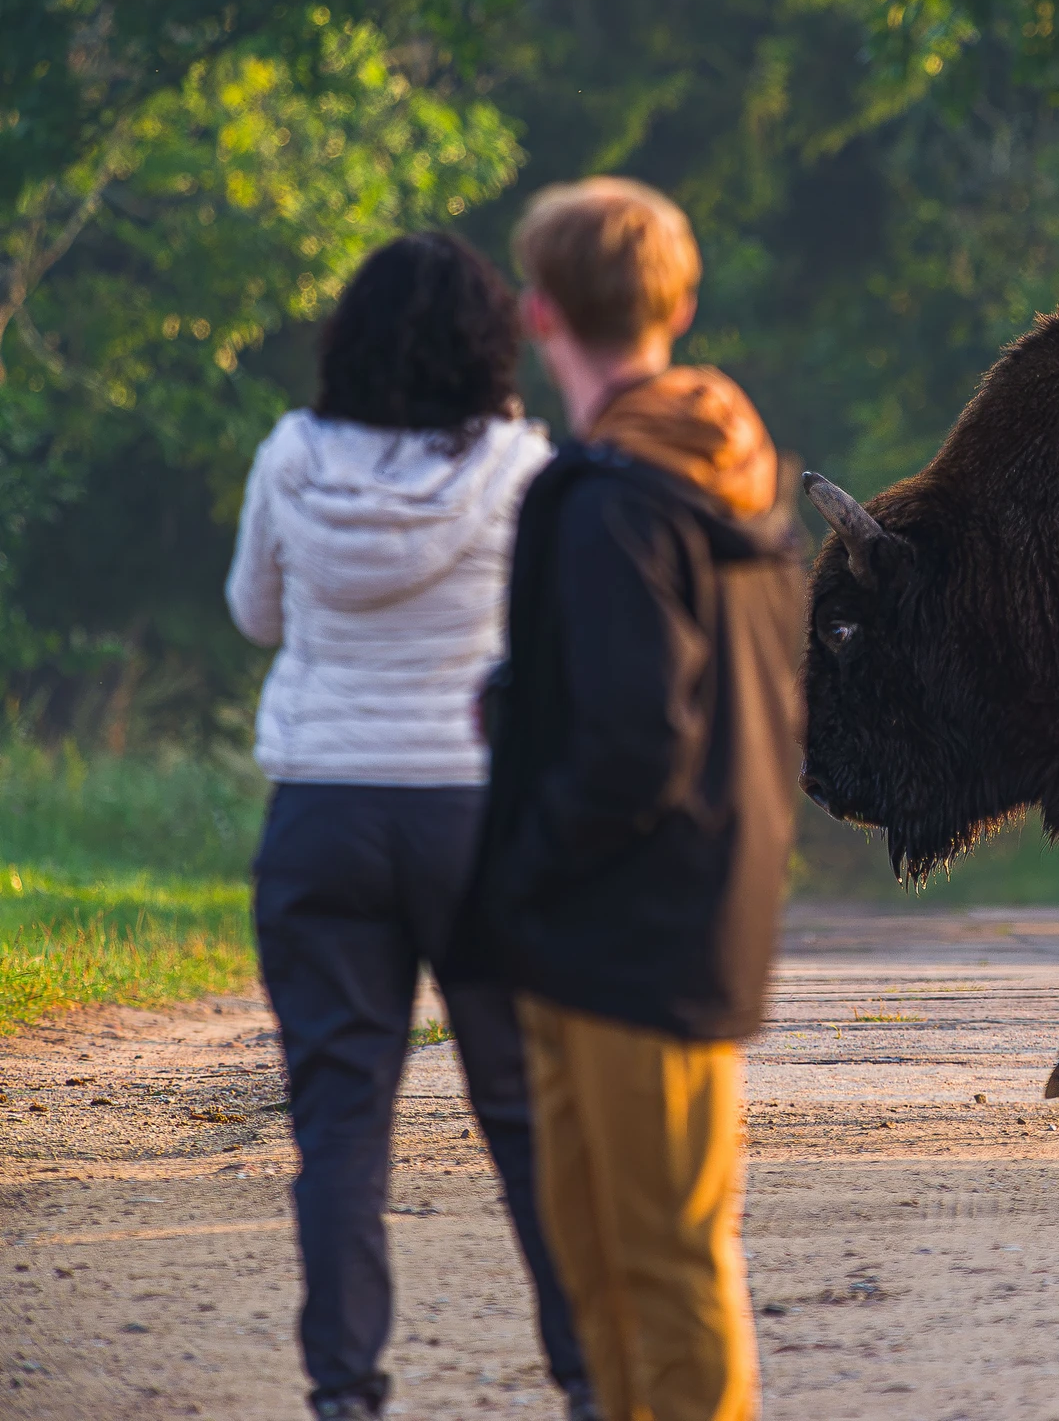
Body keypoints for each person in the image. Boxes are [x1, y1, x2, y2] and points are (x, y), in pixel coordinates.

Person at [225, 233, 595, 1421]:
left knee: (339, 1121)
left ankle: (344, 1390)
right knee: (526, 1116)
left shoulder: (291, 455)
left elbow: (252, 613)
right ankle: (589, 1379)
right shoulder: (523, 469)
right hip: (474, 818)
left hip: (322, 813)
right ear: (491, 344)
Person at [460, 176, 802, 1421]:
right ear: (682, 300)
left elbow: (631, 745)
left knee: (654, 1263)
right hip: (674, 919)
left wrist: (515, 873)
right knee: (609, 1262)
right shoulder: (730, 481)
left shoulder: (613, 503)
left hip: (622, 933)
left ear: (538, 313)